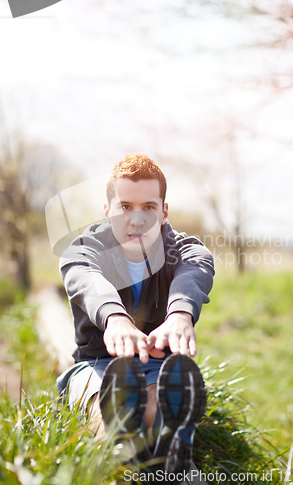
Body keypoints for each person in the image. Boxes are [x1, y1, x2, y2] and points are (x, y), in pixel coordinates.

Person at [56, 153, 214, 478]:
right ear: (107, 211)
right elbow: (85, 277)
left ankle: (171, 453)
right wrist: (115, 318)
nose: (137, 220)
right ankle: (118, 459)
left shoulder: (180, 248)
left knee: (156, 404)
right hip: (97, 364)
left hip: (159, 365)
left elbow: (196, 266)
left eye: (149, 208)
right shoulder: (86, 249)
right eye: (125, 207)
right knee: (107, 406)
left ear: (164, 212)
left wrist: (180, 315)